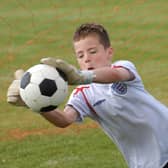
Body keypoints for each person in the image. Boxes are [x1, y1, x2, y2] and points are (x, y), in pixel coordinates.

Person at [7, 23, 168, 168]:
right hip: (148, 163)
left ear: (109, 52)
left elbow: (116, 74)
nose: (87, 59)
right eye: (80, 55)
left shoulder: (123, 66)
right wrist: (34, 102)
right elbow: (64, 120)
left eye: (92, 51)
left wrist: (83, 76)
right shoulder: (83, 94)